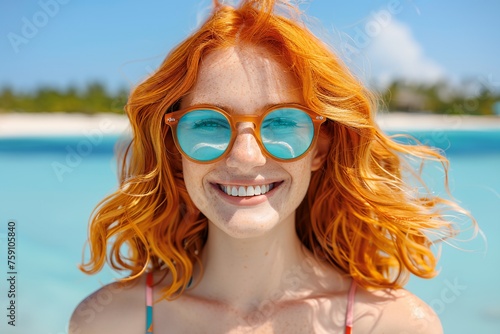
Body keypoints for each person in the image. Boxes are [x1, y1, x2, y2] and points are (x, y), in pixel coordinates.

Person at [69, 1, 473, 333]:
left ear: (320, 147)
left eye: (281, 122)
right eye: (210, 123)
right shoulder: (108, 322)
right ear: (175, 149)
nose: (246, 156)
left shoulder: (395, 325)